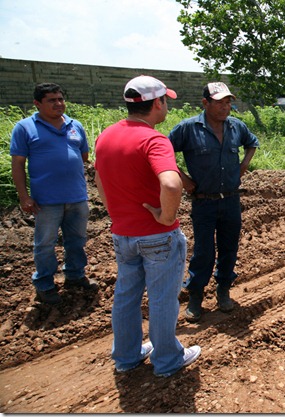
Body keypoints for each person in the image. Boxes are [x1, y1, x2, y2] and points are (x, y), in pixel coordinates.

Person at [94, 75, 200, 377]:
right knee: (163, 297)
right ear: (157, 103)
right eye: (165, 100)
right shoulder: (153, 139)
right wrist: (166, 217)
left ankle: (126, 356)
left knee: (126, 296)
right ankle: (167, 359)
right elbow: (170, 182)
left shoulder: (107, 135)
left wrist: (115, 210)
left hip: (123, 233)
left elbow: (99, 179)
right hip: (157, 236)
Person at [168, 82, 259, 322]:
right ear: (205, 103)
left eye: (228, 102)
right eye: (220, 102)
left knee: (229, 248)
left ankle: (223, 290)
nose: (225, 107)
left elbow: (252, 143)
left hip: (230, 200)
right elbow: (163, 153)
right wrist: (184, 178)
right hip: (203, 202)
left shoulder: (236, 127)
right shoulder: (188, 128)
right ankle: (196, 296)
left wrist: (243, 166)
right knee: (204, 252)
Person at [10, 82, 97, 305]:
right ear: (37, 104)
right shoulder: (25, 127)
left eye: (60, 99)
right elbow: (18, 164)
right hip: (46, 200)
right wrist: (24, 196)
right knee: (45, 244)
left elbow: (84, 156)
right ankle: (45, 284)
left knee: (76, 239)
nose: (59, 104)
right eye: (52, 100)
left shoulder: (74, 125)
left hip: (77, 196)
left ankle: (75, 276)